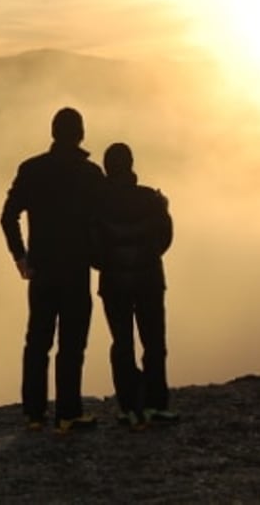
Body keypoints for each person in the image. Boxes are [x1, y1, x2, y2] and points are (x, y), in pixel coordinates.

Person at [0, 107, 105, 433]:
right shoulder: (90, 174)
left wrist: (21, 257)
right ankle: (68, 414)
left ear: (53, 132)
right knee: (72, 344)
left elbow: (7, 217)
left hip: (42, 268)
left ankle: (33, 414)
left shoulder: (31, 170)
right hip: (76, 269)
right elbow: (104, 220)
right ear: (81, 134)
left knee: (37, 341)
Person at [93, 142, 177, 429]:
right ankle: (156, 404)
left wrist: (109, 264)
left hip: (114, 284)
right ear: (130, 165)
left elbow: (92, 248)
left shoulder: (97, 204)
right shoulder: (151, 199)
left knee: (122, 343)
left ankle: (128, 405)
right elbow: (165, 238)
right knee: (154, 342)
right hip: (150, 280)